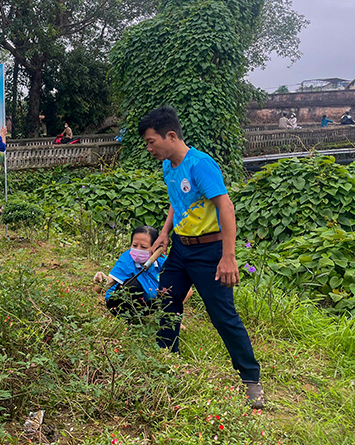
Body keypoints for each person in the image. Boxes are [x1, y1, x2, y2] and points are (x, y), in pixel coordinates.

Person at [138, 105, 264, 408]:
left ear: (171, 136)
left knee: (223, 315)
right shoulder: (169, 164)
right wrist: (166, 232)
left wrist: (228, 256)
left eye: (151, 141)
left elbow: (226, 208)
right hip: (181, 248)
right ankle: (166, 362)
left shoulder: (200, 165)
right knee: (167, 298)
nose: (149, 148)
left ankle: (251, 378)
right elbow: (177, 201)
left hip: (209, 251)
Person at [94, 226, 166, 317]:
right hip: (122, 302)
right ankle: (126, 317)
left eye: (143, 247)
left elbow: (188, 291)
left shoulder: (163, 262)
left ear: (155, 248)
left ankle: (156, 317)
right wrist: (101, 281)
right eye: (134, 245)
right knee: (133, 286)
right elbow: (102, 287)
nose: (138, 250)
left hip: (150, 304)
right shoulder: (126, 259)